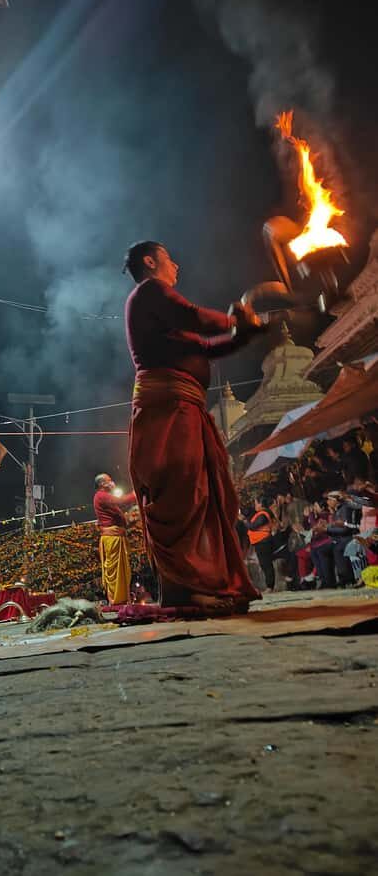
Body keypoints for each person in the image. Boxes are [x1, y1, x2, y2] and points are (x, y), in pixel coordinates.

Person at [124, 240, 264, 614]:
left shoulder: (166, 318)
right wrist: (235, 320)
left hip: (185, 408)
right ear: (150, 261)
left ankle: (206, 583)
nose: (176, 265)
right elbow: (192, 316)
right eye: (170, 258)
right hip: (167, 410)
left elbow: (205, 347)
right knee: (183, 493)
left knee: (205, 494)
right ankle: (185, 589)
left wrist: (244, 335)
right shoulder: (150, 292)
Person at [93, 473, 137, 604]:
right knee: (115, 571)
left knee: (121, 571)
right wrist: (135, 493)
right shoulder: (101, 496)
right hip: (112, 538)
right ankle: (117, 600)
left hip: (116, 537)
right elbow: (122, 501)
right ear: (102, 484)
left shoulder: (103, 496)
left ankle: (122, 599)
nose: (112, 482)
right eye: (109, 480)